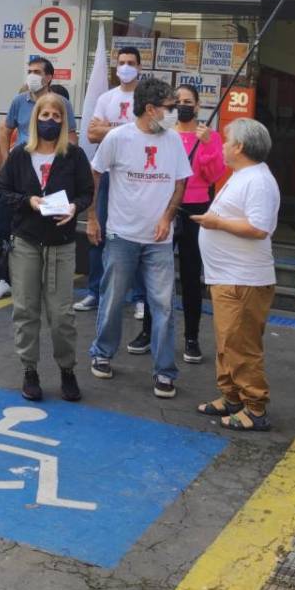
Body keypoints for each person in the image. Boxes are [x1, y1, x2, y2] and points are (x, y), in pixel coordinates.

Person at [86, 77, 191, 399]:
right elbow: (96, 174)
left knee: (163, 305)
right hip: (121, 235)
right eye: (170, 108)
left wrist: (166, 217)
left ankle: (164, 372)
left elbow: (180, 182)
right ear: (150, 109)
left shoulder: (173, 141)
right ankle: (102, 352)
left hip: (159, 239)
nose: (175, 113)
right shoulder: (118, 138)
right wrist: (92, 216)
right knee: (113, 299)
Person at [0, 93, 93, 402]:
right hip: (25, 242)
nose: (50, 120)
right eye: (45, 115)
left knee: (62, 314)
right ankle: (30, 370)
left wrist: (76, 208)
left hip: (61, 245)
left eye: (56, 116)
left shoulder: (74, 155)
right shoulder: (20, 155)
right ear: (35, 118)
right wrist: (29, 201)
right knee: (25, 309)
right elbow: (3, 189)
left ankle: (67, 369)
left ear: (64, 121)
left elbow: (87, 192)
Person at [127, 83, 224, 362]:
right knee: (154, 274)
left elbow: (213, 173)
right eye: (177, 101)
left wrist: (206, 146)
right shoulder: (163, 134)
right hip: (165, 207)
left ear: (196, 107)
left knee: (192, 276)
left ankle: (191, 337)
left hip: (196, 210)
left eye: (187, 101)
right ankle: (148, 331)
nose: (181, 105)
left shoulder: (210, 136)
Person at [194, 118, 280, 433]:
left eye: (227, 141)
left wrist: (216, 224)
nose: (224, 146)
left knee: (241, 345)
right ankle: (232, 397)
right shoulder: (243, 175)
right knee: (226, 342)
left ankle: (255, 408)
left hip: (244, 279)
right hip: (227, 276)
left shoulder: (258, 180)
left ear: (240, 147)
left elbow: (259, 228)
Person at [0, 57, 79, 300]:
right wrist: (3, 163)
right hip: (19, 173)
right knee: (4, 224)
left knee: (44, 228)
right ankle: (3, 278)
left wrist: (68, 169)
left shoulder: (61, 103)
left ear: (49, 77)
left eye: (37, 72)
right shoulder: (19, 101)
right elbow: (5, 130)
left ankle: (42, 281)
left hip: (48, 175)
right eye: (29, 71)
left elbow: (71, 137)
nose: (32, 75)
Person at [77, 45, 147, 314]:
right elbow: (93, 135)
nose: (125, 67)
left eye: (131, 62)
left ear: (139, 66)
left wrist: (110, 128)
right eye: (121, 62)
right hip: (107, 174)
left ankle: (140, 297)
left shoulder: (145, 97)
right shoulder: (107, 98)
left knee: (140, 235)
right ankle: (95, 291)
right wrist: (128, 128)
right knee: (98, 233)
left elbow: (149, 132)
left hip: (139, 176)